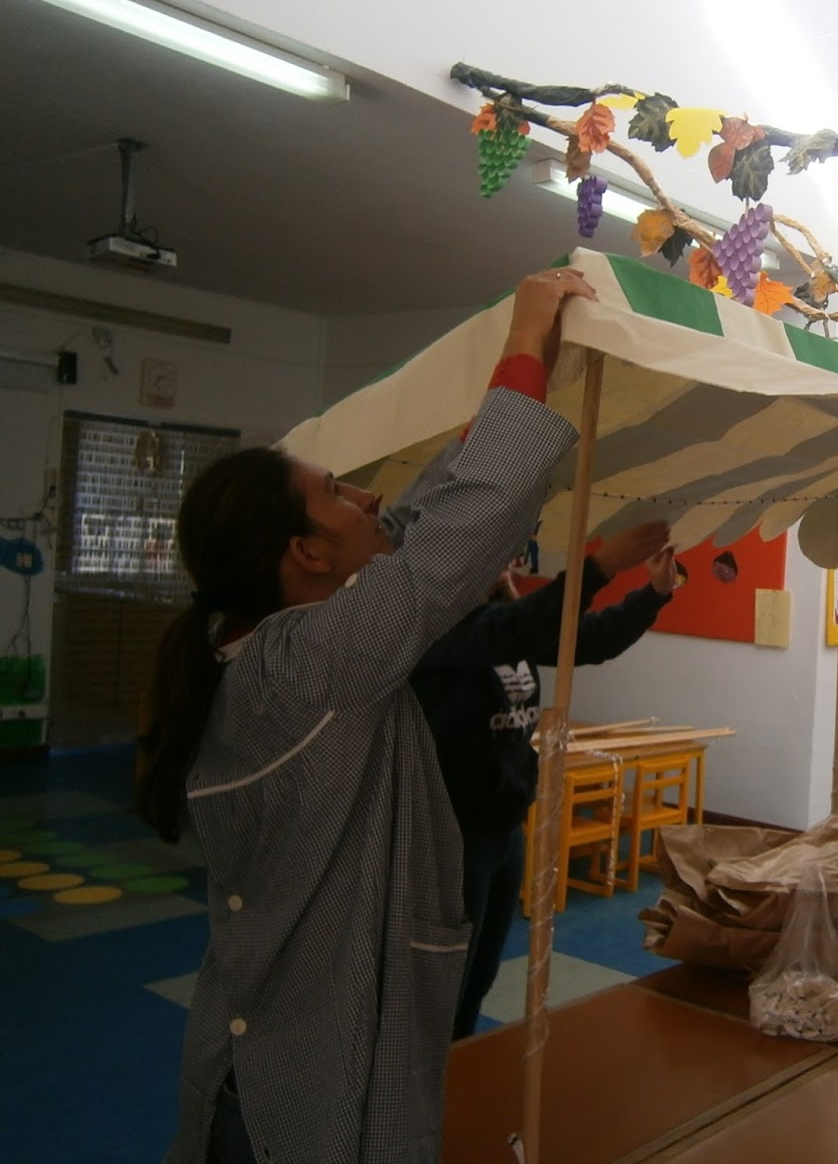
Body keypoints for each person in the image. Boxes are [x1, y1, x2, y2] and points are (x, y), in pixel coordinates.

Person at [134, 267, 595, 1164]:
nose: (369, 498)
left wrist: (498, 408)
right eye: (340, 493)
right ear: (306, 554)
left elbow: (418, 525)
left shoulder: (275, 643)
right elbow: (450, 541)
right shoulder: (304, 667)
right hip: (292, 1087)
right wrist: (525, 334)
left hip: (277, 1052)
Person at [411, 527, 677, 1039]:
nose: (508, 562)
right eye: (496, 554)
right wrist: (601, 566)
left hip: (502, 826)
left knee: (478, 978)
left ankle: (459, 1065)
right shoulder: (434, 625)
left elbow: (587, 640)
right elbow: (516, 627)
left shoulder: (506, 621)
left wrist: (653, 595)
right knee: (441, 985)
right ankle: (423, 1078)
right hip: (451, 831)